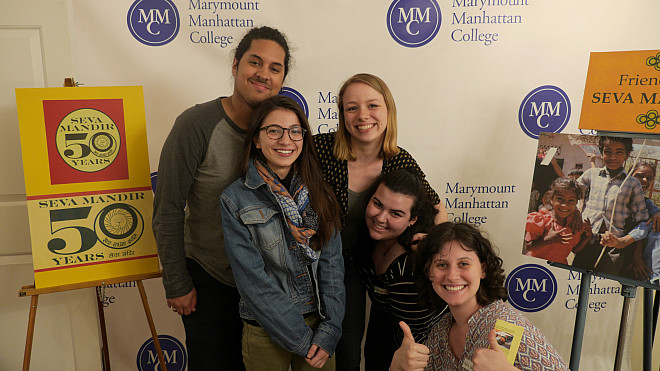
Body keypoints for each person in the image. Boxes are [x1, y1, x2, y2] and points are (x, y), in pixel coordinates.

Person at [152, 26, 291, 370]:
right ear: (235, 65)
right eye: (254, 62)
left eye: (275, 68)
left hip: (267, 286)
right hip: (210, 281)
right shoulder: (195, 125)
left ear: (283, 78)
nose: (263, 74)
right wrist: (176, 282)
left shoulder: (284, 134)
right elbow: (168, 208)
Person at [313, 73, 447, 370]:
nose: (363, 116)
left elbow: (437, 207)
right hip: (317, 260)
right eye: (352, 108)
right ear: (342, 114)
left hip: (362, 266)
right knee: (326, 344)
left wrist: (430, 243)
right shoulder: (319, 149)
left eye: (373, 105)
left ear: (388, 111)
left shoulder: (399, 160)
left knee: (354, 343)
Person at [220, 96, 344, 370]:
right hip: (265, 328)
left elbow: (332, 267)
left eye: (294, 131)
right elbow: (253, 281)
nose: (285, 140)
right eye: (274, 130)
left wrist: (329, 332)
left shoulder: (322, 193)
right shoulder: (235, 199)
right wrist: (302, 341)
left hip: (320, 324)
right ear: (256, 139)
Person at [390, 222, 569, 371]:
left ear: (483, 269)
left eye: (463, 264)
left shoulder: (504, 328)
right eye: (442, 264)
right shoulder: (441, 330)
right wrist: (396, 367)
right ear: (428, 273)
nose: (452, 276)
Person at [355, 170, 447, 370]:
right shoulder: (363, 239)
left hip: (421, 348)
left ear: (412, 220)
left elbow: (416, 340)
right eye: (377, 204)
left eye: (396, 214)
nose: (380, 218)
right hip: (387, 327)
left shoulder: (409, 268)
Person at [573, 136, 648, 276]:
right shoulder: (591, 174)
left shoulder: (632, 183)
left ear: (627, 155)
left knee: (603, 287)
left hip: (614, 248)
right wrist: (577, 213)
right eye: (608, 151)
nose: (612, 157)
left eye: (619, 152)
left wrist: (622, 242)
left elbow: (642, 222)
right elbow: (570, 193)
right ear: (601, 153)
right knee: (576, 280)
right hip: (586, 242)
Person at [599, 162, 660, 282]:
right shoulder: (615, 196)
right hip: (606, 248)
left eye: (649, 178)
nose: (644, 180)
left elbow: (644, 226)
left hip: (628, 255)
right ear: (629, 175)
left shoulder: (647, 203)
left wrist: (637, 255)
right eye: (639, 176)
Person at [524, 177, 592, 265]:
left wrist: (587, 237)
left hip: (559, 267)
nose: (565, 205)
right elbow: (529, 246)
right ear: (551, 199)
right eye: (560, 199)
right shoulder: (541, 220)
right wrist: (547, 240)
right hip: (535, 265)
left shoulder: (574, 224)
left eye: (571, 200)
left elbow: (574, 249)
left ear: (576, 203)